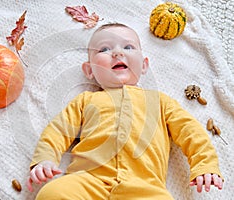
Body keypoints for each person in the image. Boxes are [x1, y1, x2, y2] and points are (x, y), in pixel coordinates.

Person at [27, 23, 224, 199]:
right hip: (88, 180)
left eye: (128, 47)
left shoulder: (160, 101)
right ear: (89, 70)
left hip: (144, 187)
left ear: (144, 65)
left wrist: (205, 164)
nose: (117, 53)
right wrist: (45, 159)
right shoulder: (86, 101)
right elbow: (57, 131)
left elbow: (191, 131)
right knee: (52, 193)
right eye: (104, 49)